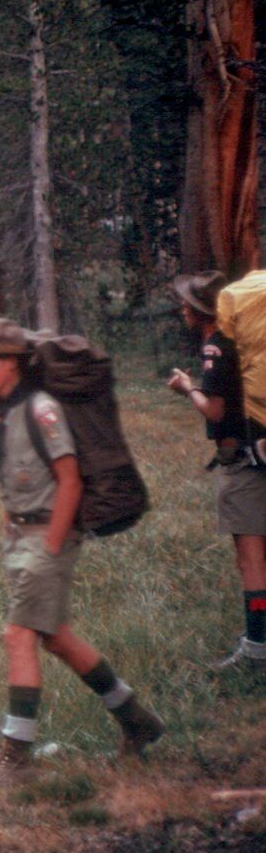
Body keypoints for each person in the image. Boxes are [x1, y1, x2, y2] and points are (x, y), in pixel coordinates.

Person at [0, 320, 164, 780]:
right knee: (56, 637)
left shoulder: (43, 409)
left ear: (11, 363)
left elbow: (70, 480)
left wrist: (52, 545)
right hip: (21, 537)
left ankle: (16, 757)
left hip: (47, 537)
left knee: (18, 636)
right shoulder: (4, 408)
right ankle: (137, 720)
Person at [167, 271, 266, 669]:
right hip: (261, 451)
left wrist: (188, 388)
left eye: (187, 303)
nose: (182, 308)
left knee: (251, 560)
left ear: (199, 311)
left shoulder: (216, 346)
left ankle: (257, 647)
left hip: (242, 463)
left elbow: (215, 410)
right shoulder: (243, 341)